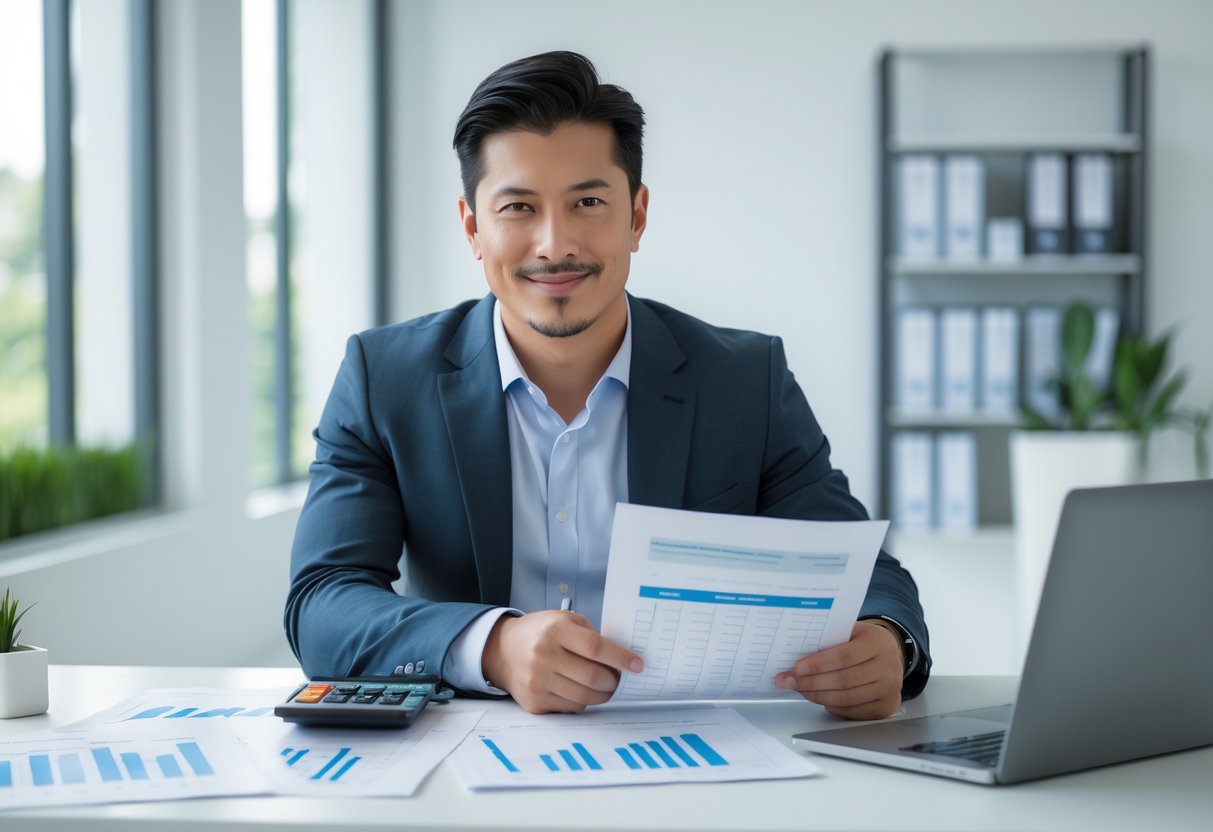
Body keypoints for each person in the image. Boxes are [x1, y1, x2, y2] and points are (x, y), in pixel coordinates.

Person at [285, 50, 930, 720]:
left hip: (692, 748)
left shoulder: (745, 380)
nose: (554, 244)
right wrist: (494, 646)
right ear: (473, 227)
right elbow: (323, 601)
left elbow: (860, 569)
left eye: (588, 202)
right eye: (518, 207)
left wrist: (886, 640)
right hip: (472, 745)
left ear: (636, 216)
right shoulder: (385, 379)